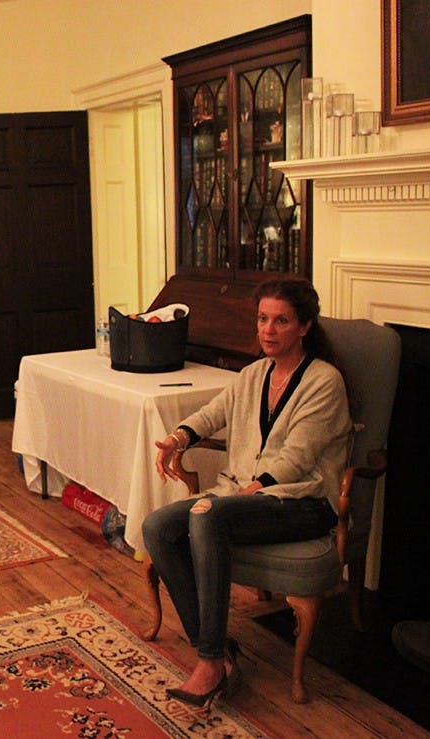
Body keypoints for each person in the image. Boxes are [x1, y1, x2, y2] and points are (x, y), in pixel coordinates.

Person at [143, 278, 351, 710]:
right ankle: (218, 651)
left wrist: (248, 492)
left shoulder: (324, 382)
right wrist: (179, 438)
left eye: (281, 321)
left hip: (302, 503)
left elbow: (298, 456)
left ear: (305, 326)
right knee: (158, 526)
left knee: (207, 515)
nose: (268, 330)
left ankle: (209, 661)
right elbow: (216, 411)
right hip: (249, 498)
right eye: (262, 319)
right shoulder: (255, 373)